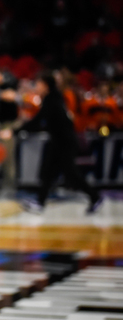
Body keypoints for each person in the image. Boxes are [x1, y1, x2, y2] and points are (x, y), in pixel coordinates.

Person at [17, 72, 102, 214]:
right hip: (59, 141)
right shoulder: (54, 98)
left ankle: (95, 196)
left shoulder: (51, 100)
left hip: (64, 142)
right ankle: (40, 202)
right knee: (47, 173)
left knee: (71, 174)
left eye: (38, 84)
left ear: (45, 85)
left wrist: (16, 131)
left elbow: (39, 120)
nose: (36, 87)